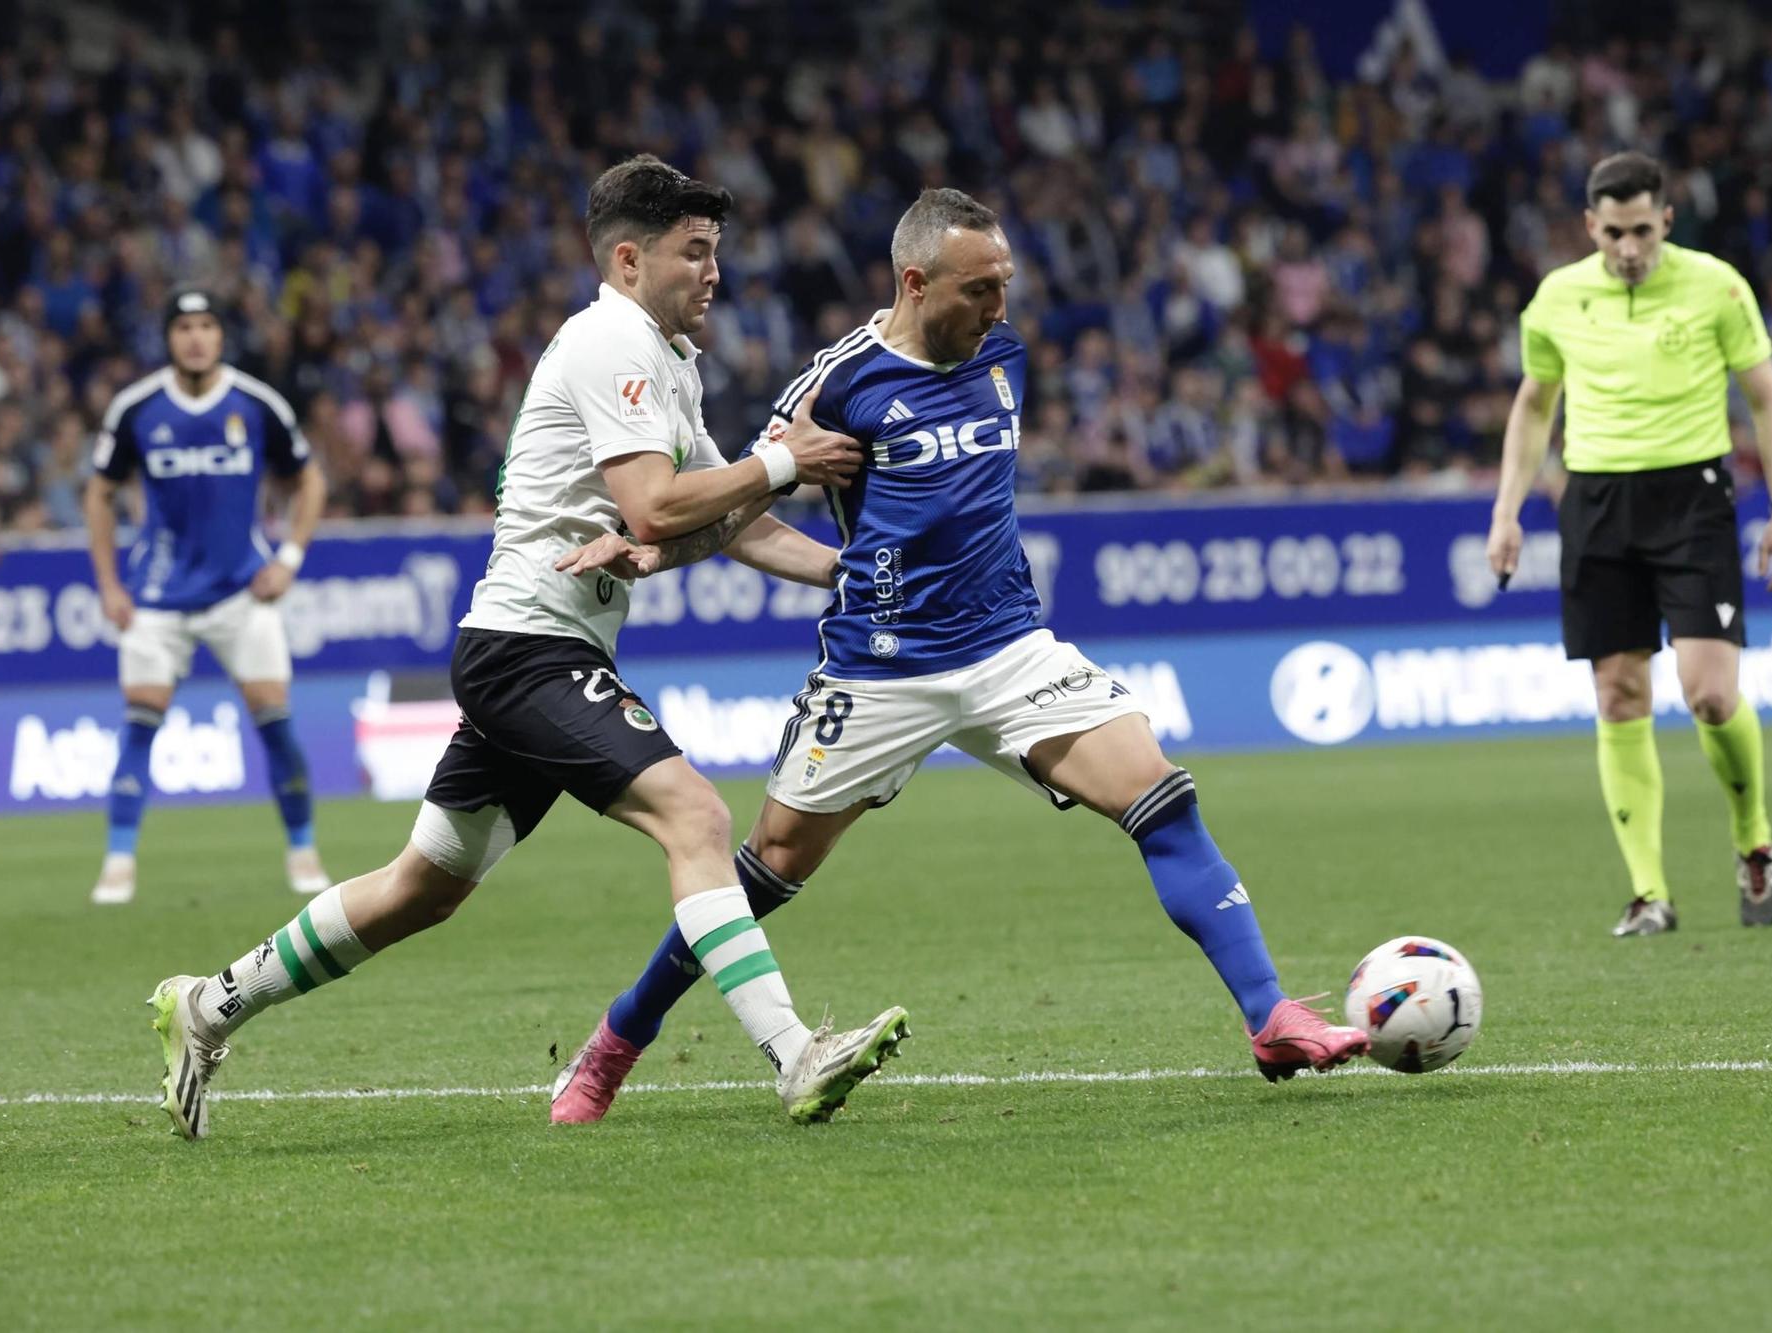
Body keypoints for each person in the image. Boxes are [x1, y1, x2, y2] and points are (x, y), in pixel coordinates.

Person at [546, 188, 1369, 1124]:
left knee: (1160, 795)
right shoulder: (841, 382)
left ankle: (1272, 1015)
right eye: (980, 290)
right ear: (914, 280)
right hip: (880, 667)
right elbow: (738, 511)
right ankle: (618, 1038)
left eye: (1005, 287)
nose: (999, 310)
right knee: (768, 865)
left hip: (1011, 649)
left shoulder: (1002, 355)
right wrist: (652, 546)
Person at [144, 156, 908, 1140]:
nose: (713, 272)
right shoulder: (609, 341)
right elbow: (652, 504)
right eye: (695, 251)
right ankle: (794, 1054)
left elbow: (729, 519)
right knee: (696, 817)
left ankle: (207, 1004)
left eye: (716, 251)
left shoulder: (669, 360)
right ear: (628, 259)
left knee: (421, 888)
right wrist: (785, 458)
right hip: (529, 650)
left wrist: (840, 573)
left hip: (537, 649)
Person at [1485, 151, 1772, 938]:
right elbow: (1534, 406)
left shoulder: (1718, 286)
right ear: (1590, 225)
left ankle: (1753, 841)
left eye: (1642, 231)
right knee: (1619, 693)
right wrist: (1507, 510)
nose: (1628, 249)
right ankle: (1648, 891)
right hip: (1596, 502)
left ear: (1666, 218)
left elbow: (1766, 397)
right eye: (1613, 233)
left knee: (1709, 693)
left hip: (1692, 499)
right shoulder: (1557, 298)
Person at [85, 288, 331, 903]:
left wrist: (290, 558)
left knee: (274, 720)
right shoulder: (137, 407)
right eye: (183, 326)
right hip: (156, 595)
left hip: (241, 591)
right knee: (139, 723)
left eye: (206, 326)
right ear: (168, 338)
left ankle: (302, 851)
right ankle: (118, 862)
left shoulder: (255, 403)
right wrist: (110, 584)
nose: (195, 337)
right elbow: (99, 492)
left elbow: (309, 480)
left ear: (221, 336)